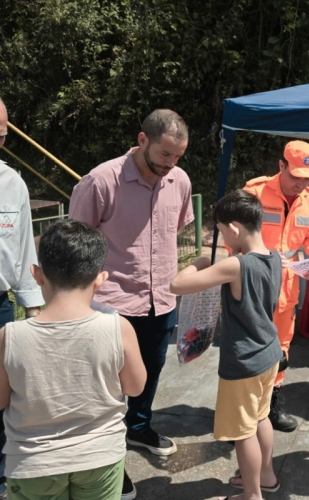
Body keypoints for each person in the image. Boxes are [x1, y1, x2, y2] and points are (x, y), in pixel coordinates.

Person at [69, 109, 193, 499]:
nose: (170, 163)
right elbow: (76, 245)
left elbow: (175, 230)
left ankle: (138, 427)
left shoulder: (179, 180)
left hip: (161, 300)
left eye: (178, 156)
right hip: (111, 304)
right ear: (142, 140)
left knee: (149, 373)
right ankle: (107, 462)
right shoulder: (101, 181)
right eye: (164, 154)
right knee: (105, 389)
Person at [0, 220, 146, 500]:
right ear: (101, 279)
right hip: (101, 456)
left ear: (37, 274)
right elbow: (136, 387)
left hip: (34, 462)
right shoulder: (119, 328)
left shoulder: (9, 337)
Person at [171, 190, 282, 500]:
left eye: (220, 231)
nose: (221, 237)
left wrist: (199, 262)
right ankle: (267, 476)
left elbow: (177, 285)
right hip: (269, 353)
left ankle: (251, 495)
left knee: (242, 432)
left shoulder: (236, 265)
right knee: (261, 418)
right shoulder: (274, 257)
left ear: (234, 228)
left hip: (243, 362)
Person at [241, 140, 309, 432]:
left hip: (286, 289)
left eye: (308, 178)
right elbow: (235, 237)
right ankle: (242, 416)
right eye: (296, 176)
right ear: (281, 166)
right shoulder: (254, 193)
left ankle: (271, 407)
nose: (301, 184)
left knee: (281, 348)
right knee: (248, 349)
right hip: (252, 287)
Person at [0, 97, 45, 499]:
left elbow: (23, 247)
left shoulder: (12, 182)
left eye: (1, 135)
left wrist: (33, 309)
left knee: (3, 396)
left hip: (1, 306)